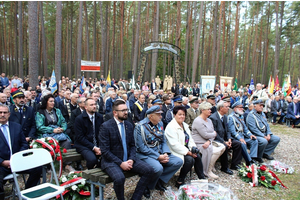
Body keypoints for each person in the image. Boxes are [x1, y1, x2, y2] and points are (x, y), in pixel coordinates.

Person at [99, 100, 153, 200]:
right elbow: (105, 151)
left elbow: (133, 145)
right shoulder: (106, 126)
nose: (126, 112)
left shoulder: (129, 125)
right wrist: (120, 163)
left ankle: (135, 198)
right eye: (123, 110)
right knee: (119, 178)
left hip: (128, 158)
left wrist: (131, 159)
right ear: (115, 112)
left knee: (149, 170)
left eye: (126, 109)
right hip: (111, 161)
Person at [134, 105, 182, 196]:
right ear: (151, 116)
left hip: (160, 152)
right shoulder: (140, 127)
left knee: (178, 161)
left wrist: (165, 153)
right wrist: (158, 157)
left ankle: (158, 180)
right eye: (158, 115)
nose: (161, 117)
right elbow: (141, 148)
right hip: (146, 154)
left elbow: (163, 140)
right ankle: (147, 185)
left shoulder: (160, 123)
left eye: (161, 114)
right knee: (158, 168)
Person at [0, 104, 42, 200]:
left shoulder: (16, 127)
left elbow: (24, 144)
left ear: (9, 114)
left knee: (37, 168)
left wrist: (17, 158)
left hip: (17, 161)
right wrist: (2, 162)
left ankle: (26, 194)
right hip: (2, 164)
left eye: (5, 112)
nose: (2, 115)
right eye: (0, 112)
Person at [165, 105, 205, 186]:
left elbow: (190, 139)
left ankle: (202, 178)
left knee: (197, 155)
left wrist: (193, 148)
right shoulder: (171, 127)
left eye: (183, 114)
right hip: (174, 151)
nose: (182, 116)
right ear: (174, 115)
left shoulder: (184, 125)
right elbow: (174, 145)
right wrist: (189, 152)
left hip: (185, 149)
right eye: (180, 114)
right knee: (190, 159)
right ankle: (180, 180)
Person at [35, 94, 74, 172]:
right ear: (46, 102)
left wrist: (62, 129)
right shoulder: (40, 113)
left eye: (53, 101)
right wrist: (52, 130)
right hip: (46, 134)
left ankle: (67, 164)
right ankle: (50, 165)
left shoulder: (57, 111)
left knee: (67, 142)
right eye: (51, 101)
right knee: (50, 143)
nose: (53, 103)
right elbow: (39, 127)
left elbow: (63, 122)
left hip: (59, 133)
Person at [191, 102, 225, 179]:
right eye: (208, 109)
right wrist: (213, 134)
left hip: (207, 141)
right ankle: (207, 170)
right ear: (202, 110)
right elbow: (205, 134)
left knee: (222, 147)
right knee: (212, 150)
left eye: (210, 109)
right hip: (199, 142)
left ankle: (211, 165)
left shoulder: (209, 120)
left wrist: (209, 140)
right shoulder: (198, 121)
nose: (210, 111)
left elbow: (211, 134)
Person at [209, 101, 242, 172]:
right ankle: (224, 167)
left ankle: (235, 164)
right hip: (217, 140)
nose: (228, 108)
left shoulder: (225, 117)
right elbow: (214, 133)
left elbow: (227, 130)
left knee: (238, 144)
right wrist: (224, 142)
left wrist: (229, 139)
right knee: (225, 146)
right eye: (226, 107)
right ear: (221, 108)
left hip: (225, 139)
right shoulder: (213, 118)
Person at [74, 98, 104, 169]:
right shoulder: (79, 119)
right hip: (83, 145)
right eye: (91, 105)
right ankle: (89, 175)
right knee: (92, 160)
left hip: (97, 143)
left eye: (95, 104)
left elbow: (102, 133)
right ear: (86, 107)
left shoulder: (99, 117)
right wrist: (93, 148)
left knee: (106, 157)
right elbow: (80, 138)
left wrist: (100, 146)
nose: (94, 106)